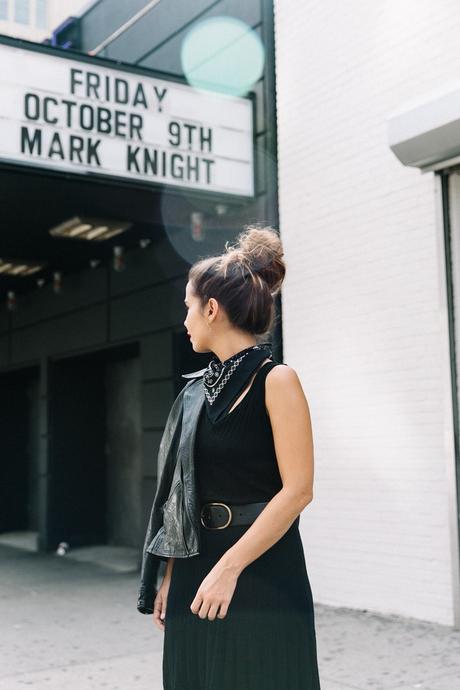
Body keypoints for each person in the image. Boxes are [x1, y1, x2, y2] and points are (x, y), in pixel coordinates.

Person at [152, 225, 321, 689]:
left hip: (260, 569)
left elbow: (298, 490)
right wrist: (171, 572)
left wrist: (229, 568)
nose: (184, 319)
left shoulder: (277, 380)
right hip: (194, 564)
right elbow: (183, 489)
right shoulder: (195, 393)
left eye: (188, 306)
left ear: (211, 308)